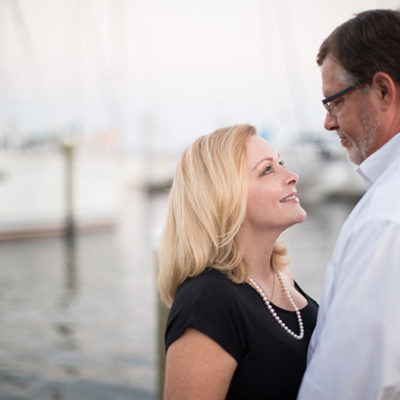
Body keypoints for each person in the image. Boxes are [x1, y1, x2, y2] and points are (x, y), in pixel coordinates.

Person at [157, 124, 318, 399]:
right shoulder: (206, 301)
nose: (292, 176)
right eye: (268, 169)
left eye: (282, 163)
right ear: (224, 196)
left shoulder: (281, 277)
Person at [298, 9, 400, 400]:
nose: (327, 123)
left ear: (382, 91)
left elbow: (344, 386)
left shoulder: (387, 218)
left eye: (333, 102)